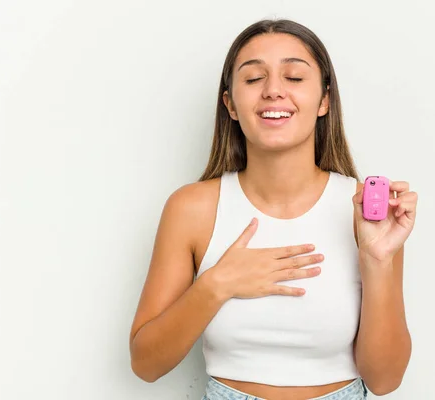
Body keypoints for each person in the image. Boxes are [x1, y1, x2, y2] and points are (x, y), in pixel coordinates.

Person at [129, 18, 418, 400]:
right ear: (231, 104)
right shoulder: (191, 209)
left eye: (294, 77)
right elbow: (146, 364)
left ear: (325, 100)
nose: (273, 91)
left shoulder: (364, 211)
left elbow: (384, 381)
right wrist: (218, 283)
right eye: (252, 80)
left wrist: (377, 259)